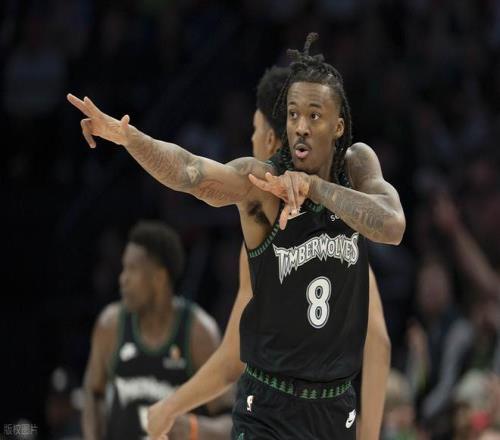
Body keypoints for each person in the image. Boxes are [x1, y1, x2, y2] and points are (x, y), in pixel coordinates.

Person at [69, 33, 405, 439]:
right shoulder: (262, 184)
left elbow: (392, 226)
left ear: (339, 126)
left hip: (335, 407)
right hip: (268, 405)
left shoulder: (357, 166)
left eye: (314, 116)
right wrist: (130, 139)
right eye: (293, 115)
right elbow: (190, 172)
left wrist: (315, 188)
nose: (300, 127)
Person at [82, 221, 232, 440]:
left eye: (132, 269)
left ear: (159, 278)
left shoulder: (198, 332)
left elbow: (232, 424)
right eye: (124, 268)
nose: (123, 278)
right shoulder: (110, 325)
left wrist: (194, 428)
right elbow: (93, 393)